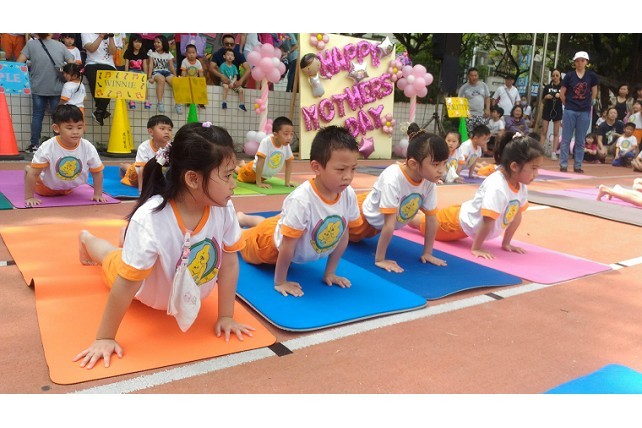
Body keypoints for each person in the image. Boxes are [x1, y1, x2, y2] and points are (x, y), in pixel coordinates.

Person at [72, 122, 255, 369]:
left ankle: (128, 239)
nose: (234, 184)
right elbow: (126, 284)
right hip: (143, 292)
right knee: (109, 257)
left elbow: (230, 262)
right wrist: (105, 337)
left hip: (170, 274)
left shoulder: (223, 208)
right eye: (227, 176)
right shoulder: (151, 220)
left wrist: (226, 316)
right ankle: (87, 239)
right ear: (193, 178)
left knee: (130, 250)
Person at [237, 126, 362, 297]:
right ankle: (238, 226)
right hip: (268, 246)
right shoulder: (302, 200)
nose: (348, 176)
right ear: (317, 167)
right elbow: (286, 245)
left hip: (284, 227)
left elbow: (343, 236)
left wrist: (330, 273)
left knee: (276, 225)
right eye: (341, 169)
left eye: (353, 169)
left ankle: (243, 217)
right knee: (239, 239)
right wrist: (280, 282)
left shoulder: (348, 194)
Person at [410, 134, 545, 260]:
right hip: (453, 224)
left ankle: (415, 208)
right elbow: (487, 220)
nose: (537, 173)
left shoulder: (521, 185)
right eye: (534, 168)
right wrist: (477, 248)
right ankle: (403, 211)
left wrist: (506, 243)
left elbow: (516, 216)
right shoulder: (498, 186)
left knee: (427, 216)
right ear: (514, 166)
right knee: (418, 222)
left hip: (461, 219)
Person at [348, 128, 449, 273]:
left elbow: (432, 219)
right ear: (413, 164)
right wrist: (380, 259)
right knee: (336, 237)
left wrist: (428, 253)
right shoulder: (393, 178)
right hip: (360, 218)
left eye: (444, 163)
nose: (442, 170)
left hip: (377, 223)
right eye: (435, 164)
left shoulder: (428, 181)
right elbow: (389, 223)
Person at [23, 105, 106, 207]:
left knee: (64, 186)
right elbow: (33, 174)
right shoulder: (48, 147)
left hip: (68, 188)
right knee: (33, 171)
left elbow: (97, 172)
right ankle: (28, 169)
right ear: (56, 128)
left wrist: (98, 194)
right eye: (69, 128)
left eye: (79, 127)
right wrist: (29, 197)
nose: (75, 132)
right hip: (45, 187)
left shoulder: (87, 146)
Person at [17, 33, 74, 152]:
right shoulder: (60, 46)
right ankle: (59, 144)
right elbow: (71, 62)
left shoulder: (31, 45)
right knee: (57, 117)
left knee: (37, 116)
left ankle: (34, 145)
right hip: (56, 87)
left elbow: (19, 62)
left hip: (37, 87)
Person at [559, 51, 599, 173]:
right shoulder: (569, 76)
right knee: (566, 139)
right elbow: (562, 93)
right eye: (577, 61)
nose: (580, 63)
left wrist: (588, 103)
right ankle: (563, 164)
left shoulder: (591, 76)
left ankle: (577, 165)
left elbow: (594, 91)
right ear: (574, 62)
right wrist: (567, 105)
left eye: (582, 60)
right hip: (570, 110)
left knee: (580, 140)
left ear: (586, 62)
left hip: (584, 111)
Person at [236, 116, 295, 188]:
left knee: (245, 168)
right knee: (239, 171)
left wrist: (287, 182)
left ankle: (243, 164)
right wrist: (259, 183)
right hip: (251, 172)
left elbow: (289, 163)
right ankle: (234, 167)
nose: (289, 137)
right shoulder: (266, 142)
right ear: (275, 134)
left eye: (291, 134)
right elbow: (260, 162)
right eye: (286, 134)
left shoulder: (285, 144)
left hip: (263, 175)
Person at [120, 115, 173, 190]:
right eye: (162, 129)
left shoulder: (171, 147)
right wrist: (141, 189)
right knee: (131, 169)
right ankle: (123, 166)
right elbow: (141, 170)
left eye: (170, 129)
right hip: (142, 174)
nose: (167, 132)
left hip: (159, 174)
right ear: (151, 132)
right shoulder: (144, 147)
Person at [81, 33, 117, 127]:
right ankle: (102, 110)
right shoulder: (86, 33)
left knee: (109, 84)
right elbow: (91, 48)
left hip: (109, 65)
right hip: (92, 63)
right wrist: (101, 36)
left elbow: (113, 52)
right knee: (94, 78)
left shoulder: (110, 35)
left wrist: (111, 37)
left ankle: (100, 110)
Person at [148, 35, 182, 114]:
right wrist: (149, 77)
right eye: (155, 42)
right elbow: (150, 65)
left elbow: (171, 66)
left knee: (175, 82)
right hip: (156, 71)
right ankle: (160, 103)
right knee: (161, 80)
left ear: (164, 43)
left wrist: (175, 76)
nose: (156, 44)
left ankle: (178, 104)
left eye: (158, 42)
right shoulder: (152, 52)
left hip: (166, 72)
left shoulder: (168, 53)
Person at [458, 67, 491, 136]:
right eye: (472, 75)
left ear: (478, 76)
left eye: (475, 75)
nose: (474, 77)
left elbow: (487, 97)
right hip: (468, 116)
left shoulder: (483, 85)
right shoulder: (464, 88)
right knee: (469, 135)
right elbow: (459, 101)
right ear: (468, 76)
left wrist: (487, 109)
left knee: (480, 135)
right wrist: (461, 116)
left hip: (481, 115)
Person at [540, 68, 563, 160]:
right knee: (543, 131)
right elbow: (542, 101)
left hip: (557, 110)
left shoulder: (563, 87)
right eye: (553, 75)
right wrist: (546, 97)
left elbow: (566, 101)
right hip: (547, 110)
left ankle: (554, 152)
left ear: (560, 76)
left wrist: (560, 96)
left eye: (557, 75)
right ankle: (540, 152)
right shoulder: (547, 87)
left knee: (556, 132)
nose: (555, 77)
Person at [123, 33, 151, 110]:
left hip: (140, 71)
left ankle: (146, 100)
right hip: (131, 71)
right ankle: (131, 100)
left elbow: (145, 65)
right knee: (131, 82)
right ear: (131, 42)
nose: (138, 44)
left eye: (140, 42)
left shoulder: (143, 52)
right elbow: (126, 64)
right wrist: (126, 74)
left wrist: (145, 75)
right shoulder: (128, 52)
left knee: (144, 84)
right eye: (136, 42)